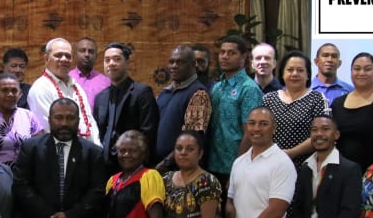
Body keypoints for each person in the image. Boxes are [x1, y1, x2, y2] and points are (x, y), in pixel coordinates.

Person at [93, 43, 159, 173]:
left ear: (127, 63)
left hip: (132, 165)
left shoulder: (142, 93)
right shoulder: (100, 97)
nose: (111, 63)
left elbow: (148, 132)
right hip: (104, 167)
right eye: (107, 60)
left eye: (117, 59)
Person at [27, 37, 101, 146]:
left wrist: (97, 149)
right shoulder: (41, 88)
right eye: (58, 55)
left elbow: (90, 122)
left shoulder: (76, 86)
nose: (64, 59)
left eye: (68, 56)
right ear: (46, 59)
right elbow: (51, 130)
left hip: (87, 151)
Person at [208, 36, 263, 184]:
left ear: (244, 57)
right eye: (222, 52)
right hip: (212, 164)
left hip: (234, 167)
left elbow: (251, 132)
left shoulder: (248, 89)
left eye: (231, 53)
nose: (225, 56)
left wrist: (237, 169)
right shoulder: (217, 87)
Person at [261, 50, 330, 167]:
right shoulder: (269, 99)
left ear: (308, 75)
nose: (294, 74)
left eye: (300, 70)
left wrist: (291, 153)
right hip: (270, 164)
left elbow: (322, 133)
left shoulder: (317, 99)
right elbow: (260, 130)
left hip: (305, 167)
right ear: (282, 73)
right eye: (290, 70)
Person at [154, 45, 211, 173]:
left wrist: (167, 162)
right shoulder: (164, 93)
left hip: (181, 168)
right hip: (159, 165)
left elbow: (193, 136)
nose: (174, 66)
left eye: (180, 62)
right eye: (171, 62)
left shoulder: (199, 93)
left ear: (193, 64)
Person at [0, 72, 44, 165]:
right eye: (4, 90)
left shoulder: (29, 117)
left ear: (20, 94)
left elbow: (39, 147)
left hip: (24, 171)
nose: (10, 94)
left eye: (14, 90)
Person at [69, 36, 111, 107]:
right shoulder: (66, 78)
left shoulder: (106, 82)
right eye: (82, 50)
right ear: (75, 54)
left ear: (96, 56)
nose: (87, 54)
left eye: (91, 51)